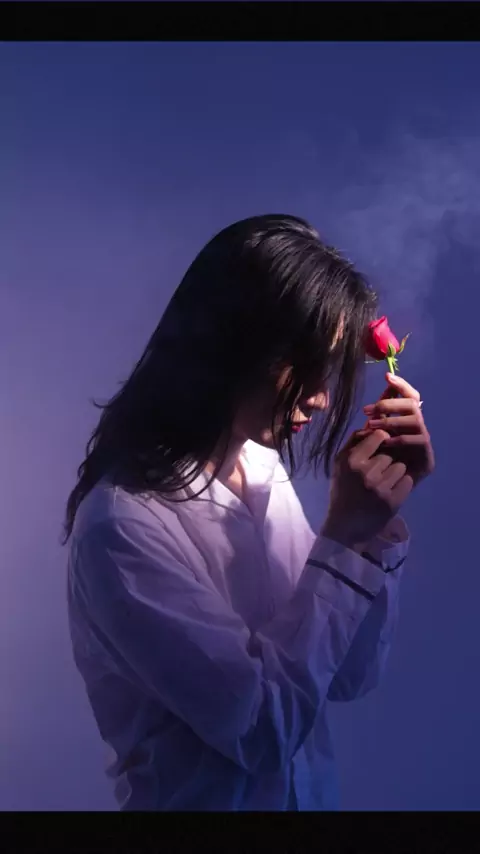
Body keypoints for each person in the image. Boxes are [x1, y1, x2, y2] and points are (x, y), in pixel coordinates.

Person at [63, 214, 434, 811]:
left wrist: (370, 531)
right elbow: (263, 730)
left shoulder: (262, 469)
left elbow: (347, 675)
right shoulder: (122, 527)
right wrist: (342, 540)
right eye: (303, 364)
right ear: (232, 344)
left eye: (330, 367)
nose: (321, 397)